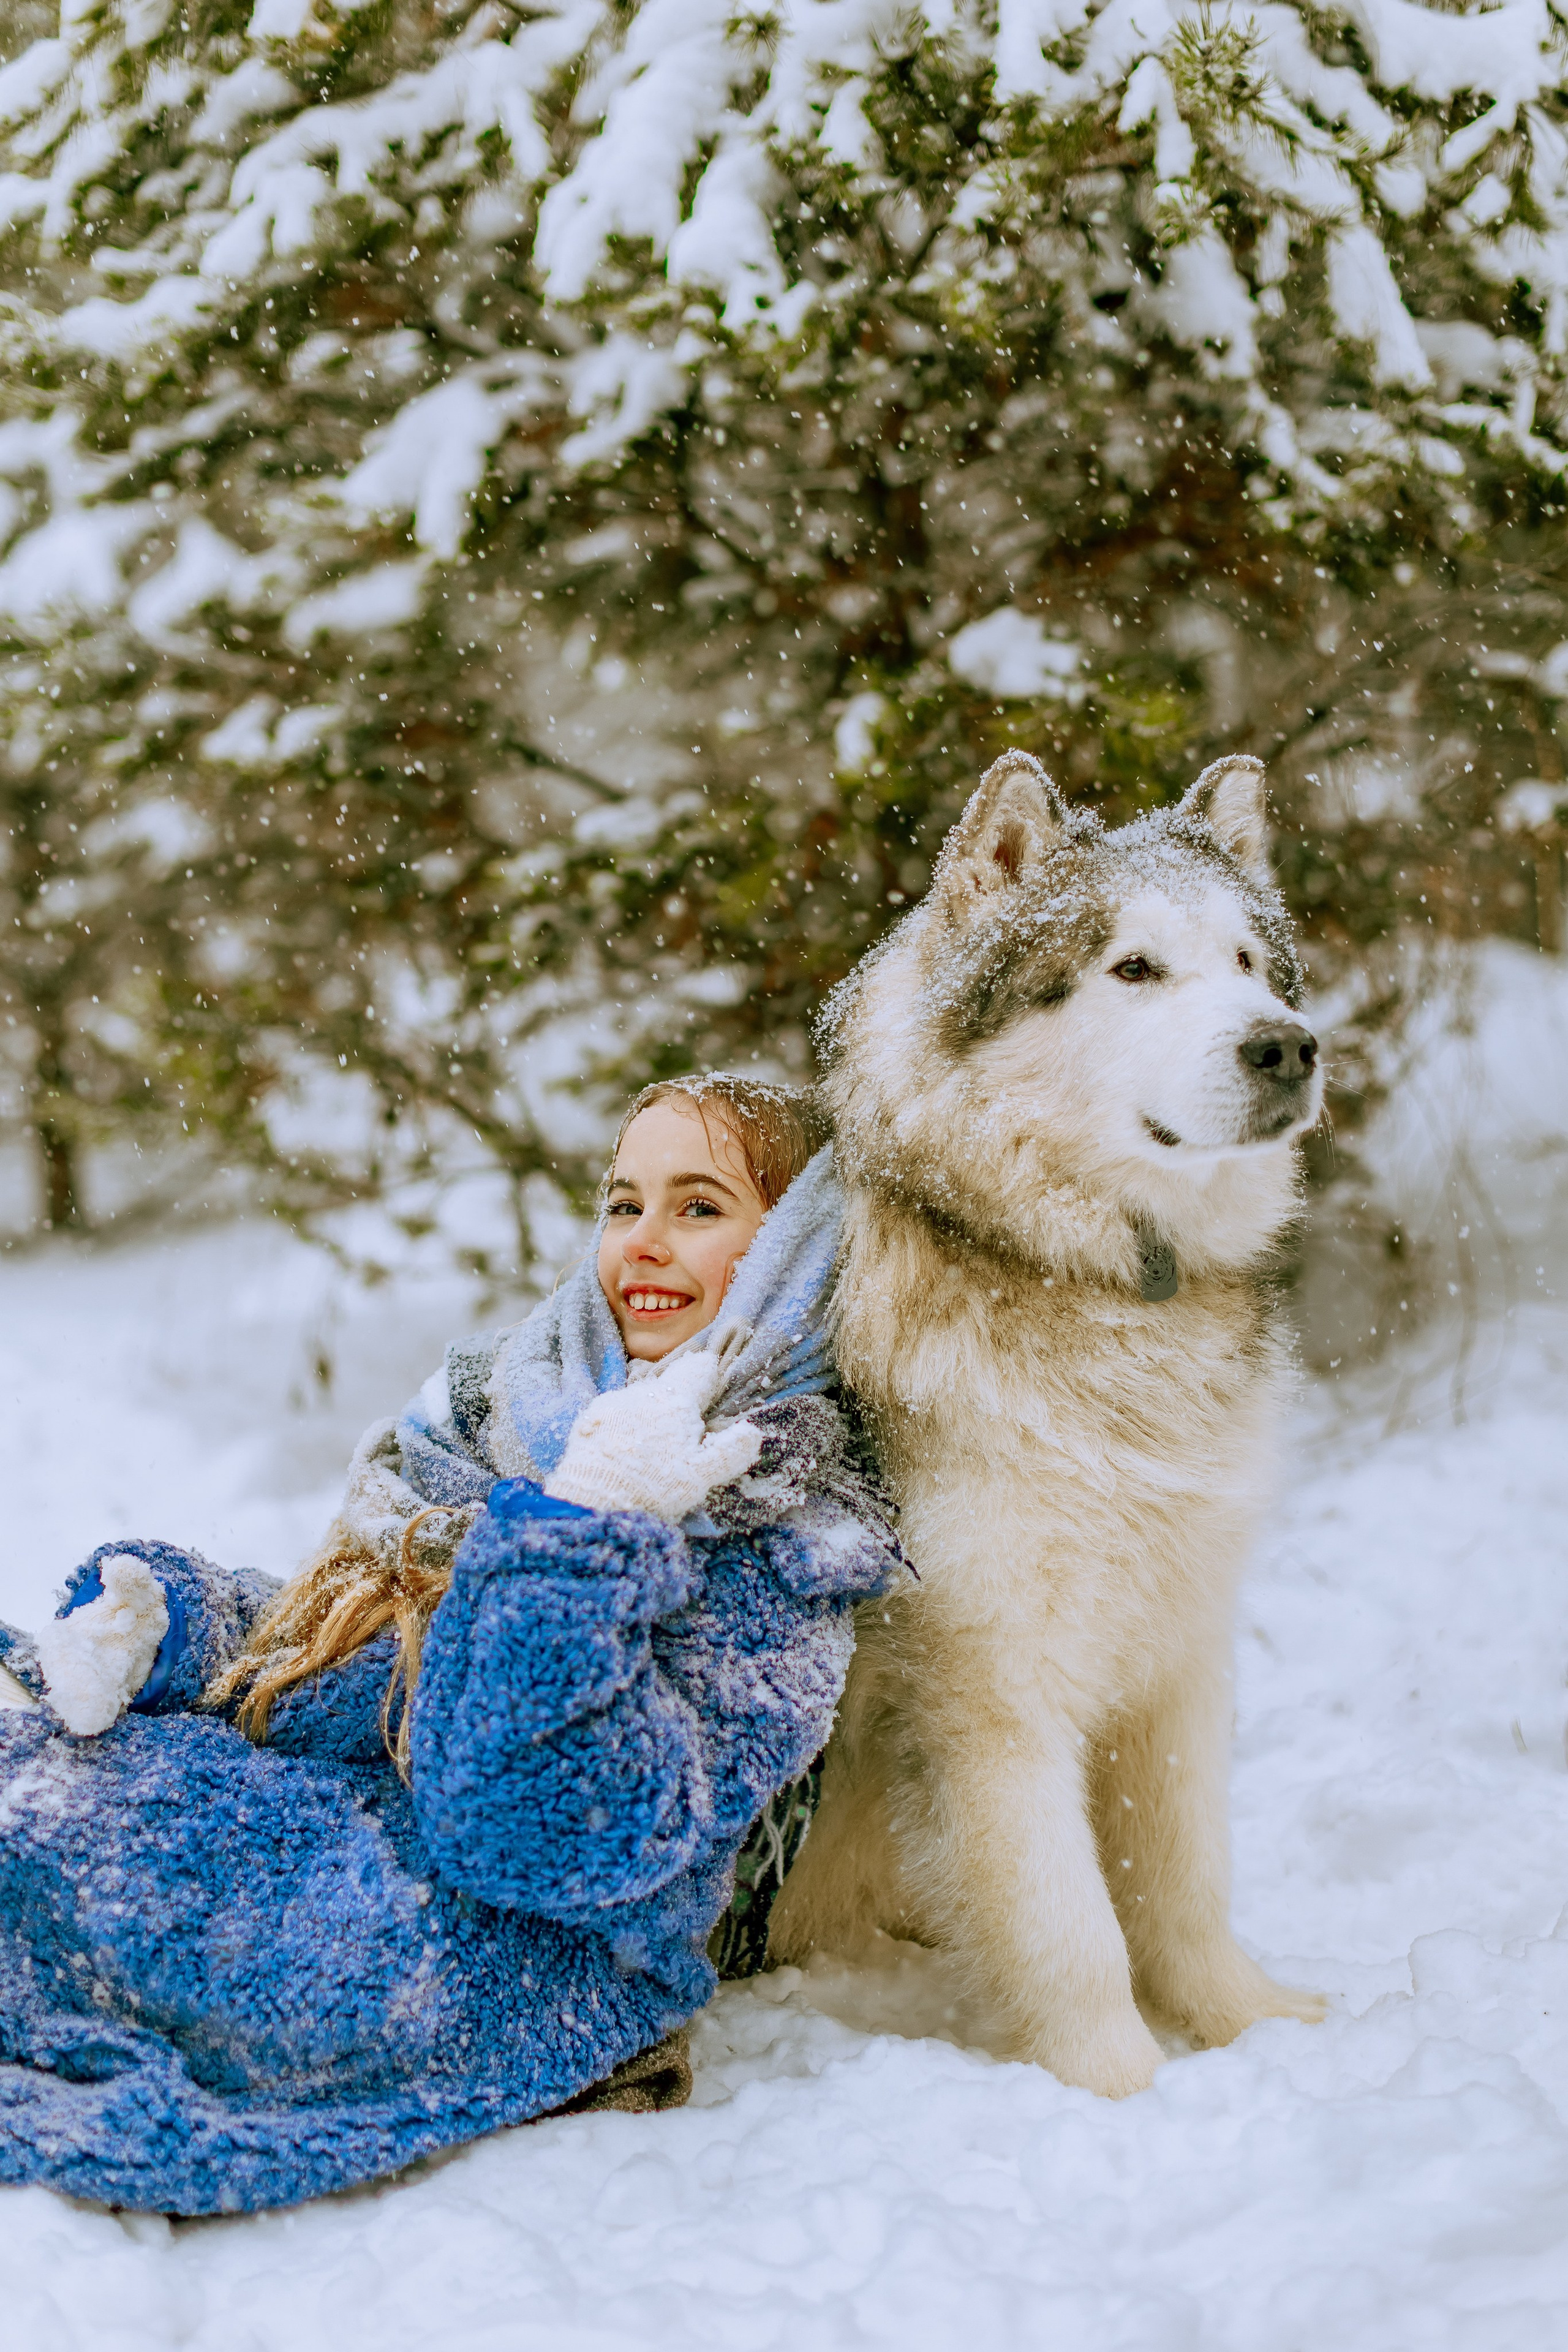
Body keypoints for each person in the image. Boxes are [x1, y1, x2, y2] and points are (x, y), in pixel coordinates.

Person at [0, 1077, 900, 2215]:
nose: (645, 1244)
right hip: (352, 1819)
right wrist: (187, 1627)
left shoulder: (781, 1544)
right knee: (49, 1779)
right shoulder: (519, 1416)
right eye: (624, 1204)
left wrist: (585, 1537)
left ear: (798, 1255)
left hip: (483, 1947)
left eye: (701, 1207)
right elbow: (387, 1662)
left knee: (71, 1869)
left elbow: (543, 1836)